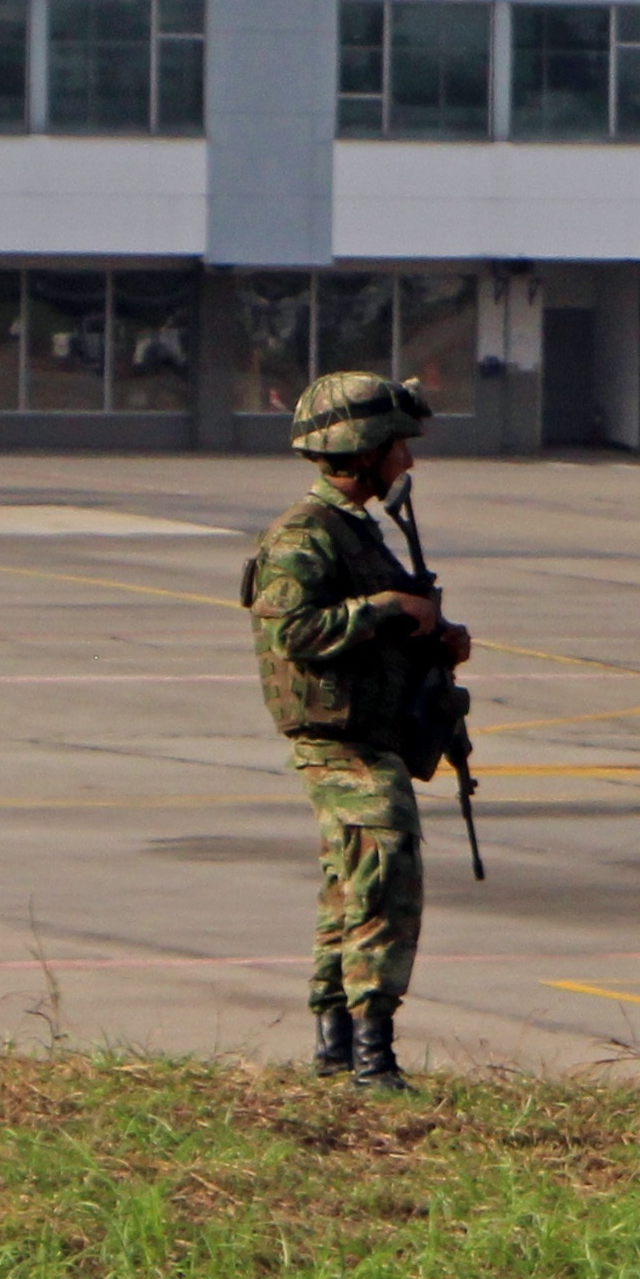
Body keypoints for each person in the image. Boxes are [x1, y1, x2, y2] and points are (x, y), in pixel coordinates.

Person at [245, 373, 472, 1092]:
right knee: (384, 869)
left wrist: (433, 633)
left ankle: (337, 1050)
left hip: (373, 734)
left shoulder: (357, 531)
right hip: (336, 739)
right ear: (360, 451)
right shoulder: (303, 535)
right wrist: (384, 608)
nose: (406, 460)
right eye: (396, 445)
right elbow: (295, 632)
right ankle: (371, 1058)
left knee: (352, 884)